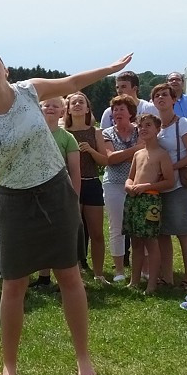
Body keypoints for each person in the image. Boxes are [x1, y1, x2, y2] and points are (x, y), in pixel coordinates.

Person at [0, 51, 133, 375]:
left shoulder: (29, 90)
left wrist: (109, 69)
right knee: (14, 284)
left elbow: (74, 82)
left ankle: (84, 360)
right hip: (13, 201)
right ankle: (9, 365)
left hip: (55, 192)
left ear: (5, 70)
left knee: (69, 275)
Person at [151, 82, 187, 289]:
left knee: (183, 232)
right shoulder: (156, 126)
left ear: (174, 100)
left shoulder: (184, 124)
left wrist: (172, 167)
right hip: (161, 184)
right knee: (162, 232)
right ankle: (167, 276)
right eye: (157, 96)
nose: (161, 98)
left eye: (165, 95)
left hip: (180, 183)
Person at [88, 95, 141, 282]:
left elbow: (146, 154)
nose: (117, 113)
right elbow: (109, 158)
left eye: (121, 109)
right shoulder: (106, 133)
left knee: (138, 229)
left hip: (137, 184)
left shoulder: (140, 130)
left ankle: (141, 269)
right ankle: (119, 270)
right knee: (116, 227)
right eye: (115, 109)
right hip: (114, 185)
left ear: (130, 112)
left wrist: (123, 156)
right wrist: (136, 151)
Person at [124, 114, 176, 294]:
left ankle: (152, 283)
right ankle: (134, 280)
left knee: (151, 243)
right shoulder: (138, 153)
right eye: (140, 126)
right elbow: (131, 176)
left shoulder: (162, 154)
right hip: (134, 200)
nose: (143, 128)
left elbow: (169, 181)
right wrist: (128, 185)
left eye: (148, 125)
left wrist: (148, 186)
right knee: (136, 242)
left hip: (150, 201)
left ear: (157, 129)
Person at [32, 96, 80, 288]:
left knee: (59, 236)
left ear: (63, 111)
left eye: (55, 106)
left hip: (60, 192)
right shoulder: (32, 135)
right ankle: (43, 278)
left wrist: (74, 197)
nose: (50, 108)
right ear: (40, 109)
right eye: (46, 105)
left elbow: (75, 171)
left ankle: (67, 279)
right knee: (39, 235)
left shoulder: (68, 138)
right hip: (34, 192)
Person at [66, 91, 109, 283]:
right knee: (73, 232)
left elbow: (105, 161)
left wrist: (90, 150)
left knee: (97, 232)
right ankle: (74, 273)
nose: (77, 105)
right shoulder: (63, 133)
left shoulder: (96, 132)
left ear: (87, 108)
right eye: (73, 102)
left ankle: (99, 274)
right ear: (67, 108)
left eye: (81, 102)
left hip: (91, 182)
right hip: (69, 185)